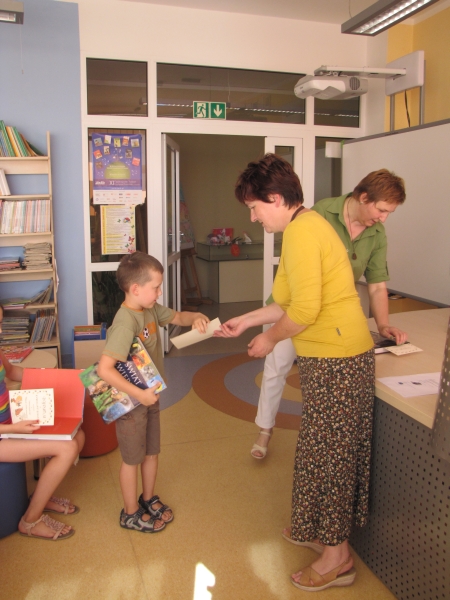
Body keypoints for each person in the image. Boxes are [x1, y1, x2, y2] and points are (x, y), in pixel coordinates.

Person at [214, 154, 375, 591]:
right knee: (319, 452)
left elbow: (303, 311)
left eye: (254, 208)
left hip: (340, 359)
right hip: (330, 358)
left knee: (332, 458)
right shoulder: (303, 228)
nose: (252, 217)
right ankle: (321, 535)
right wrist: (248, 320)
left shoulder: (303, 233)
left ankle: (338, 558)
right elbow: (286, 301)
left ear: (276, 198)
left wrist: (268, 339)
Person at [251, 168, 407, 459]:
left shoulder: (377, 233)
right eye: (382, 210)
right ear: (363, 197)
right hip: (292, 306)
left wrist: (383, 324)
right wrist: (267, 331)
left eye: (389, 212)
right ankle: (265, 429)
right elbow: (300, 289)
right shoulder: (319, 214)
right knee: (276, 367)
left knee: (324, 411)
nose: (384, 218)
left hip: (326, 319)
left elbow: (377, 285)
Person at [97, 251, 209, 533]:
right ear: (135, 289)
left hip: (150, 396)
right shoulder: (125, 322)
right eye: (156, 287)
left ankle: (147, 499)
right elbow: (104, 370)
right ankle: (129, 513)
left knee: (151, 452)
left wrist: (196, 317)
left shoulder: (150, 309)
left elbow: (179, 316)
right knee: (131, 460)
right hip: (132, 403)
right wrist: (140, 395)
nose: (160, 292)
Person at [0, 306, 85, 540]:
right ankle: (30, 521)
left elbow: (12, 372)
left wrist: (56, 377)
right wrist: (14, 428)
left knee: (77, 435)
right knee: (67, 448)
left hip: (11, 423)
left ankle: (41, 497)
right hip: (5, 433)